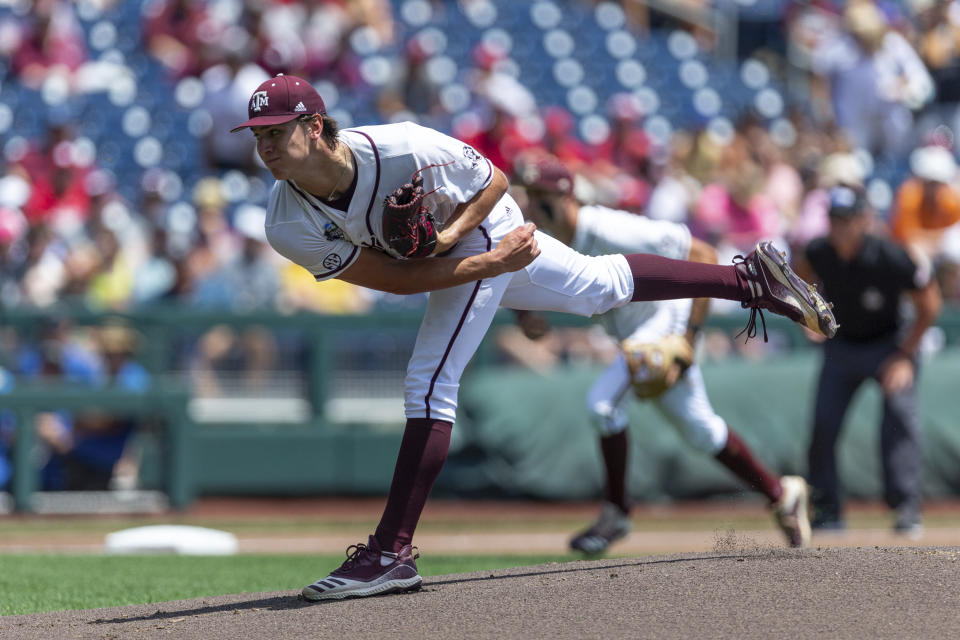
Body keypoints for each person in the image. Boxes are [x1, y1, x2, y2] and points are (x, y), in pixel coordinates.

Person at [230, 74, 837, 601]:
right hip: (463, 256)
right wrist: (471, 261)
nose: (265, 148)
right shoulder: (286, 222)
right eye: (258, 137)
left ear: (314, 128)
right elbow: (391, 278)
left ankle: (390, 552)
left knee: (430, 383)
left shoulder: (404, 146)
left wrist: (467, 245)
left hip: (485, 223)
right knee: (600, 286)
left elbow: (494, 180)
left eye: (276, 133)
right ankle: (750, 279)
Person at [513, 153, 811, 553]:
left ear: (564, 196)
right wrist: (526, 316)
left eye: (539, 194)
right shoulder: (548, 240)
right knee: (702, 432)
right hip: (634, 337)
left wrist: (687, 338)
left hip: (666, 324)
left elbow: (702, 253)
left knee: (602, 405)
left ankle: (617, 512)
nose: (532, 204)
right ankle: (780, 493)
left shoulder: (607, 225)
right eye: (528, 194)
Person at [794, 185, 941, 536]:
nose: (840, 227)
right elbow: (799, 279)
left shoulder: (890, 255)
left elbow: (930, 302)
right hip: (843, 345)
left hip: (889, 346)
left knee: (899, 418)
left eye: (847, 219)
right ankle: (827, 510)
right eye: (834, 219)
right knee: (823, 423)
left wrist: (905, 354)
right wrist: (808, 319)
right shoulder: (819, 251)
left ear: (865, 219)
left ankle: (906, 507)